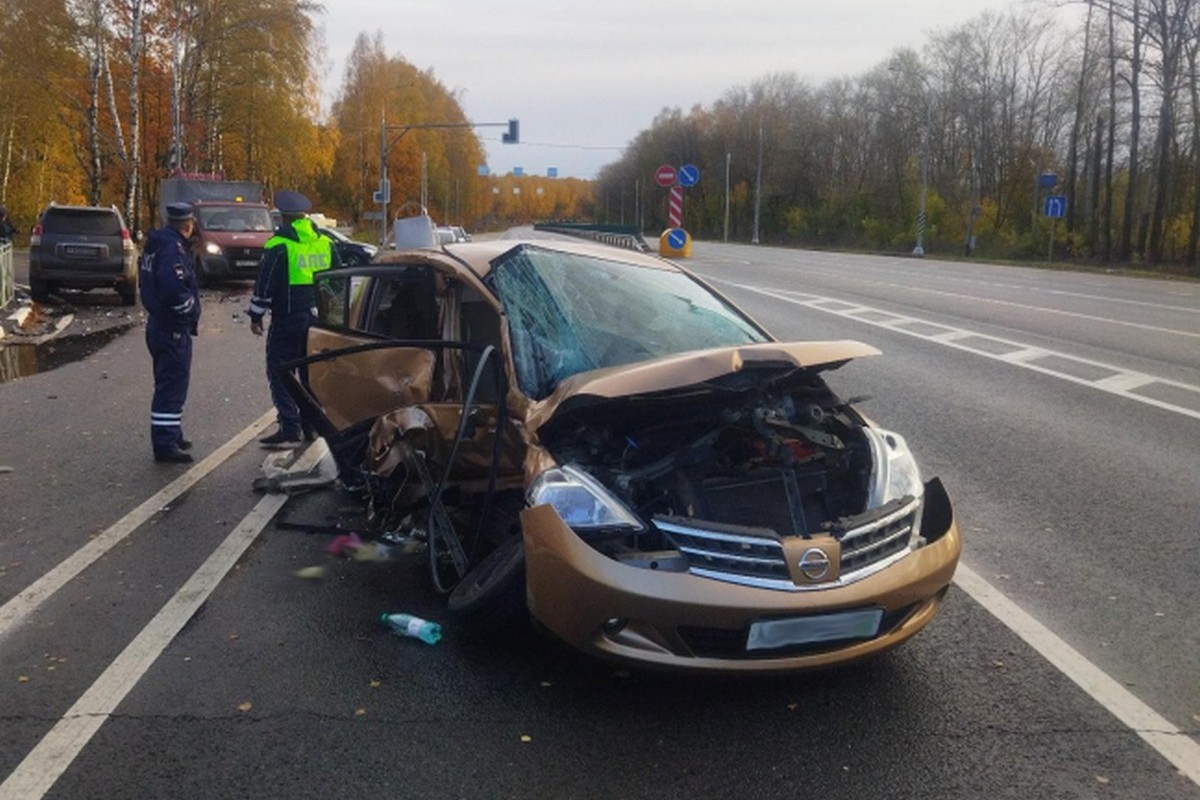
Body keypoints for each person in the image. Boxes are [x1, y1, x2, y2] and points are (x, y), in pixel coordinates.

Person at [248, 190, 339, 448]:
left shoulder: (279, 246)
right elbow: (338, 281)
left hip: (288, 319)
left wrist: (256, 316)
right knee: (309, 374)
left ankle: (290, 427)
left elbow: (265, 285)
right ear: (304, 216)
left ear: (283, 218)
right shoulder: (325, 242)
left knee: (280, 371)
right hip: (318, 319)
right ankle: (311, 426)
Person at [140, 202, 201, 463]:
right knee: (172, 385)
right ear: (188, 225)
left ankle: (172, 433)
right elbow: (173, 288)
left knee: (168, 381)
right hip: (172, 327)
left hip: (159, 324)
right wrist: (187, 311)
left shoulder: (157, 243)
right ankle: (165, 443)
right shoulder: (172, 249)